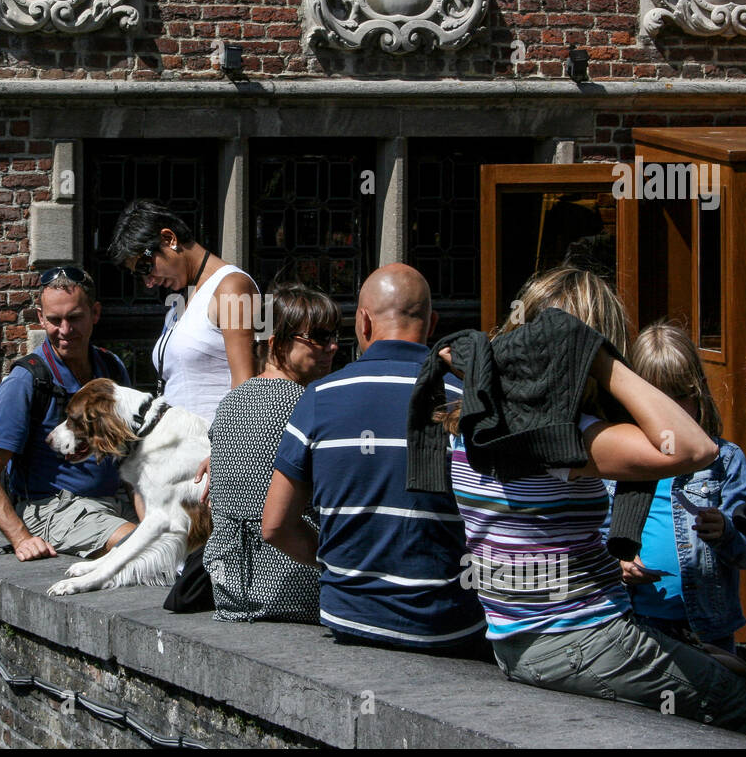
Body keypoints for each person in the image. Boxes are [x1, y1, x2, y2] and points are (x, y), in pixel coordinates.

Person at [432, 266, 746, 747]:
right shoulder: (559, 437)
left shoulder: (475, 417)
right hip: (581, 640)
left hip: (517, 639)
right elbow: (694, 448)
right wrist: (598, 361)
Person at [261, 264, 488, 655]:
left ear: (363, 323)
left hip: (349, 618)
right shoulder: (468, 398)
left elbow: (275, 526)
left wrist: (340, 570)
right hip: (449, 624)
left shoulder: (319, 397)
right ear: (431, 323)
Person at [0, 266, 139, 562]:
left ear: (95, 313)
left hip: (113, 503)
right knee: (140, 545)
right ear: (40, 318)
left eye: (74, 318)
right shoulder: (27, 381)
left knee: (180, 535)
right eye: (54, 320)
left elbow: (127, 455)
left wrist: (149, 513)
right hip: (54, 509)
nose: (64, 330)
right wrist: (21, 539)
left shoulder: (111, 368)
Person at [619, 320, 746, 653]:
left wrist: (726, 530)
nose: (669, 412)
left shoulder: (726, 460)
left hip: (707, 629)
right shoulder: (621, 462)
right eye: (656, 400)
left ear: (698, 393)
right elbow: (597, 538)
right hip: (638, 623)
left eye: (679, 398)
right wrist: (621, 563)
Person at [204, 281, 339, 623]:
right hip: (298, 588)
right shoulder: (312, 406)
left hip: (228, 590)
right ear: (277, 342)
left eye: (334, 335)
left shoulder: (228, 404)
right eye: (319, 337)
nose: (333, 347)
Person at [106, 200, 257, 424]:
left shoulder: (233, 286)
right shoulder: (179, 303)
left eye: (145, 267)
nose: (148, 282)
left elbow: (248, 386)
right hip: (181, 449)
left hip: (212, 448)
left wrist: (225, 451)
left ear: (169, 239)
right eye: (139, 275)